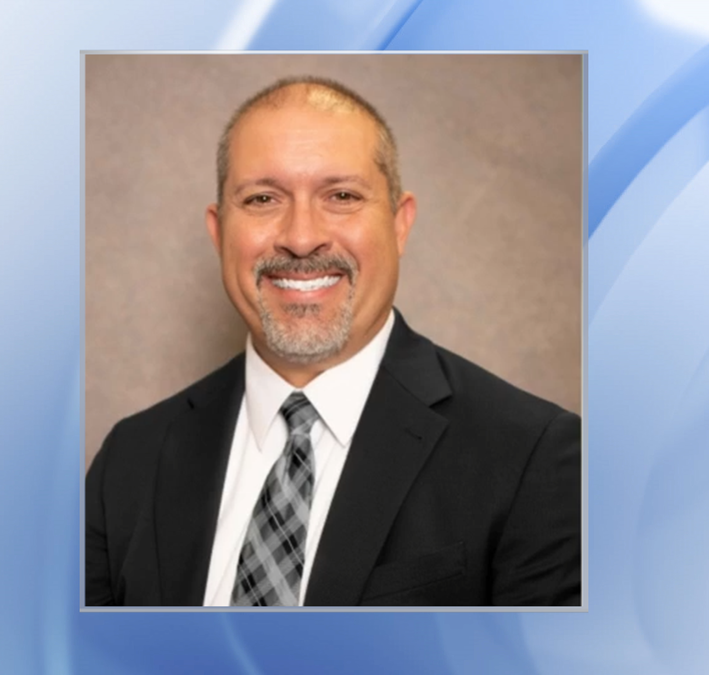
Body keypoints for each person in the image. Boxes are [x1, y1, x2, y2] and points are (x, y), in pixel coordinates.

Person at [85, 75, 581, 607]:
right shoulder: (130, 460)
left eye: (342, 196)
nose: (301, 238)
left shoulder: (532, 456)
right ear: (219, 231)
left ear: (399, 224)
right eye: (262, 198)